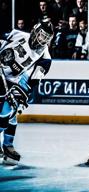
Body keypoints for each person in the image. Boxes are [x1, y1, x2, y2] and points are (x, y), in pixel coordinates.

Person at [0, 19, 54, 165]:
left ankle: (7, 145)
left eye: (46, 39)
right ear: (35, 31)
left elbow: (35, 79)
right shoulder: (15, 34)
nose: (43, 41)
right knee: (6, 112)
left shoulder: (45, 57)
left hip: (12, 81)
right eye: (42, 36)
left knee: (9, 112)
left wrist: (23, 93)